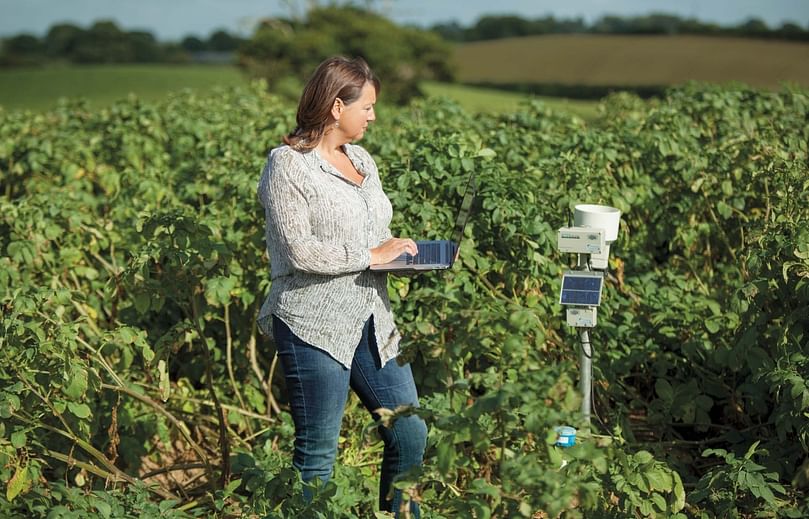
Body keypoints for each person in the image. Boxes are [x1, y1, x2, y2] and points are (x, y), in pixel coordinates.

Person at [256, 56, 428, 517]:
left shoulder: (361, 159)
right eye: (367, 106)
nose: (373, 116)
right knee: (317, 457)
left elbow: (370, 232)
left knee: (410, 434)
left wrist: (396, 251)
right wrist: (370, 256)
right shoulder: (287, 166)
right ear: (337, 106)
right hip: (312, 322)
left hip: (372, 317)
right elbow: (300, 252)